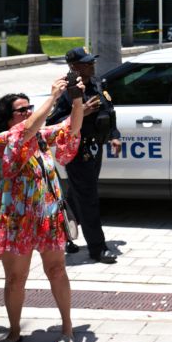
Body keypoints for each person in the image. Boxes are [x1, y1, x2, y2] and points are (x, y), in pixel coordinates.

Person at [0, 81, 84, 342]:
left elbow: (72, 129)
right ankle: (14, 331)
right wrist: (54, 96)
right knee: (15, 278)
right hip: (14, 220)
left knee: (56, 270)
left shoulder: (41, 136)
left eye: (30, 107)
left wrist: (77, 100)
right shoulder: (1, 141)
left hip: (46, 216)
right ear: (7, 118)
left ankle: (67, 329)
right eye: (22, 110)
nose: (29, 112)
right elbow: (24, 132)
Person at [45, 47, 120, 263]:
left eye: (91, 62)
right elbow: (52, 124)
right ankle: (97, 248)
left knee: (77, 195)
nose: (91, 66)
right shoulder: (67, 90)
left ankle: (64, 235)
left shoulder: (96, 83)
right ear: (74, 67)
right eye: (86, 63)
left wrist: (114, 135)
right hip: (77, 152)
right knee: (88, 199)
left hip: (95, 148)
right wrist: (81, 111)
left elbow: (109, 111)